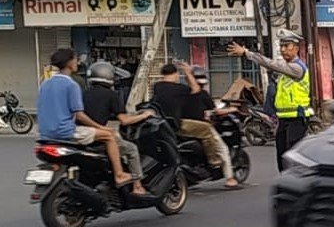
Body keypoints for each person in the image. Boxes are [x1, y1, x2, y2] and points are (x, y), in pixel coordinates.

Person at [36, 49, 138, 193]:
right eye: (75, 59)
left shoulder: (45, 84)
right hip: (66, 132)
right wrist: (102, 128)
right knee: (109, 136)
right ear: (70, 63)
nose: (77, 62)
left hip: (45, 134)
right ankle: (119, 174)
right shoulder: (72, 85)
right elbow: (79, 115)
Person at [229, 29, 312, 171]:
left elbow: (272, 64)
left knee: (292, 161)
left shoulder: (297, 68)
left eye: (287, 46)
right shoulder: (284, 72)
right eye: (282, 46)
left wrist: (246, 53)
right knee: (282, 159)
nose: (283, 50)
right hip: (283, 120)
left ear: (296, 48)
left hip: (297, 119)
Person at [153, 63, 239, 188]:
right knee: (215, 139)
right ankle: (220, 168)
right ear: (176, 74)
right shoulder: (184, 90)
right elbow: (198, 92)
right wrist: (187, 72)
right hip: (181, 125)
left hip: (167, 125)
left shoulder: (158, 87)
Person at [84, 62, 153, 196]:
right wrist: (145, 115)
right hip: (99, 136)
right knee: (131, 149)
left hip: (84, 133)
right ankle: (137, 186)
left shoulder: (84, 93)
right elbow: (124, 120)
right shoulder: (111, 95)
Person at [183, 66, 240, 189]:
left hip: (183, 128)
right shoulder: (203, 94)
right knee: (223, 149)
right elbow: (214, 112)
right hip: (201, 128)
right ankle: (230, 179)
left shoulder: (183, 93)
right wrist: (232, 109)